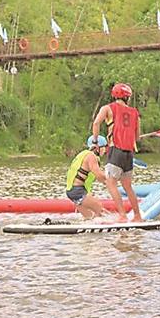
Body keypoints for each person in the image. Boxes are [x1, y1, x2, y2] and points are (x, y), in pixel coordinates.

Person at [91, 82, 145, 223]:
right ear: (127, 97)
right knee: (128, 186)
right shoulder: (135, 113)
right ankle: (137, 216)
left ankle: (122, 215)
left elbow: (96, 123)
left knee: (111, 183)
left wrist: (95, 141)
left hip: (116, 151)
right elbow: (137, 137)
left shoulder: (107, 108)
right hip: (129, 154)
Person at [65, 136, 109, 221]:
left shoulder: (83, 154)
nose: (105, 150)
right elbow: (99, 176)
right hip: (78, 191)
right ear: (97, 148)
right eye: (104, 147)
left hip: (72, 191)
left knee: (89, 218)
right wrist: (112, 179)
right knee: (99, 209)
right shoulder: (91, 157)